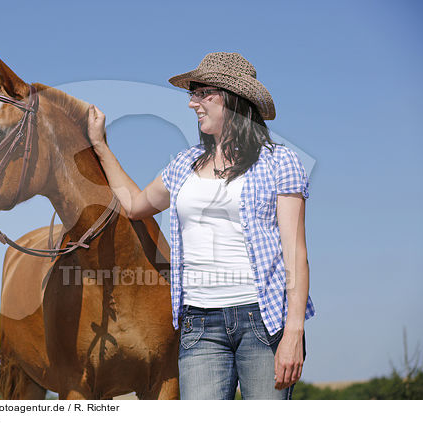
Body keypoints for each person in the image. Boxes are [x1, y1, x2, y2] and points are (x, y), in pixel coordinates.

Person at [87, 52, 314, 400]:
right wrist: (100, 145)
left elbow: (295, 252)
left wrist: (293, 332)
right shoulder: (182, 164)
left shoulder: (279, 162)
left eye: (202, 93)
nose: (192, 103)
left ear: (233, 98)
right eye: (192, 94)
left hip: (263, 321)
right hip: (199, 325)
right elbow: (134, 205)